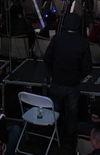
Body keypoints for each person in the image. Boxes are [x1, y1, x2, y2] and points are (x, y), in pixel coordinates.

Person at [42, 13, 93, 151]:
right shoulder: (82, 42)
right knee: (72, 113)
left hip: (57, 82)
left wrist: (53, 73)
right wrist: (78, 76)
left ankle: (55, 134)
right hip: (72, 84)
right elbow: (87, 66)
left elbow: (47, 58)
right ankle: (71, 139)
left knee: (55, 110)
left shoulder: (57, 39)